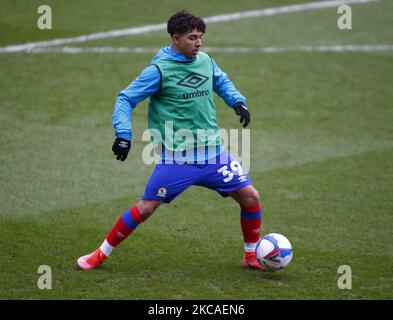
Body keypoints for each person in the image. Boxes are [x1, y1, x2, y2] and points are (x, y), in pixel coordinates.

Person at [77, 10, 264, 271]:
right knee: (145, 209)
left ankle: (251, 256)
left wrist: (237, 101)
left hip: (214, 155)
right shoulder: (159, 71)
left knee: (250, 197)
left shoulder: (206, 61)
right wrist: (123, 135)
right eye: (192, 37)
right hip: (178, 159)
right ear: (175, 38)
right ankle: (100, 253)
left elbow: (221, 81)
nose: (198, 43)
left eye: (200, 37)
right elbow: (125, 99)